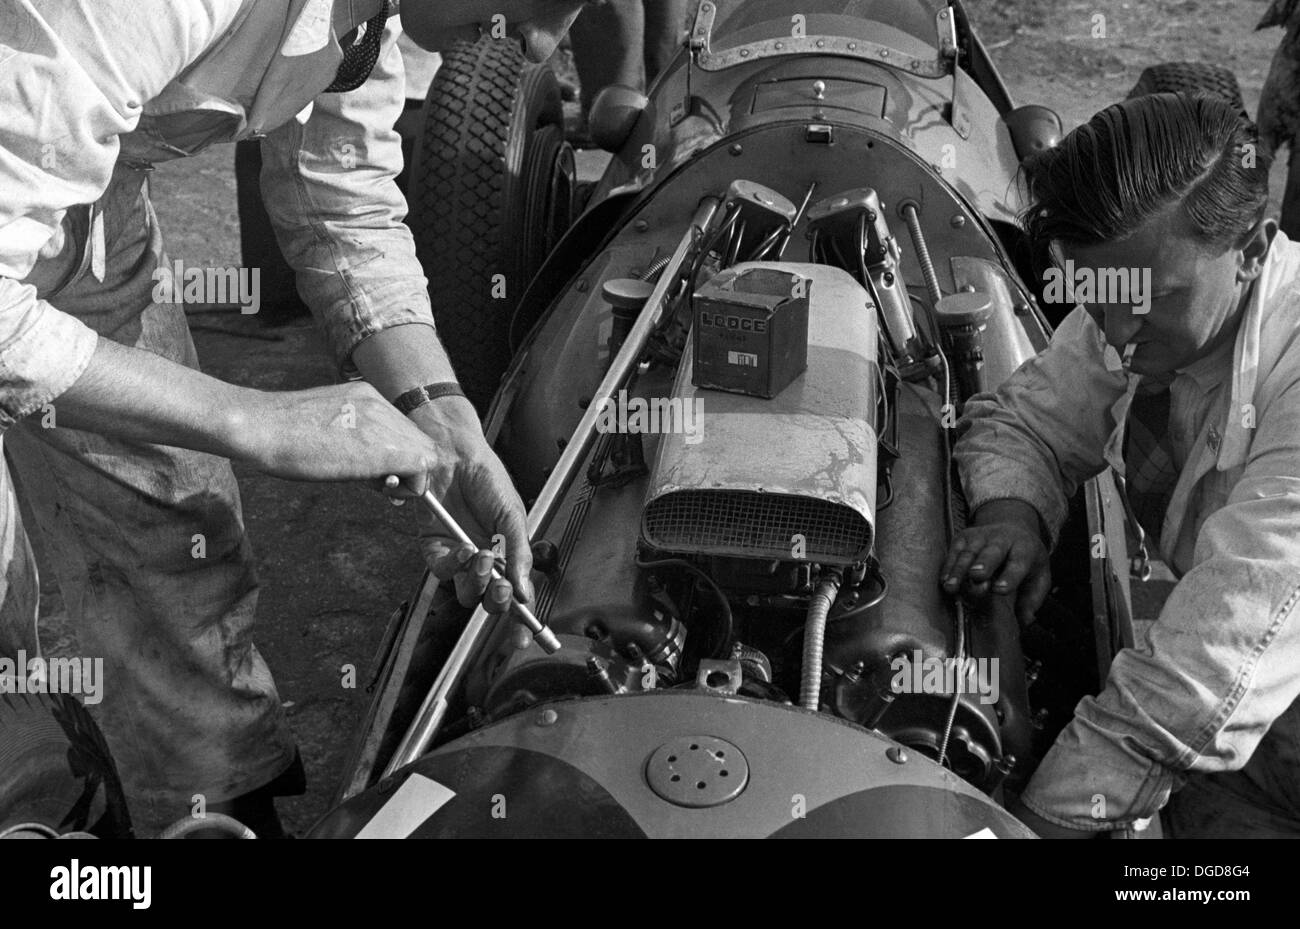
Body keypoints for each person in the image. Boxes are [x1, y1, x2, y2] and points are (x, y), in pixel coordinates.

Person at [0, 0, 588, 836]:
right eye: (536, 1)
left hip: (79, 206)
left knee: (173, 523)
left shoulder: (373, 15)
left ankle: (207, 811)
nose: (540, 46)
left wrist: (442, 417)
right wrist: (255, 420)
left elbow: (338, 194)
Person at [942, 93, 1300, 837]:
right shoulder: (1131, 305)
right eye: (1098, 295)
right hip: (1243, 736)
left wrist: (1028, 825)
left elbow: (1212, 666)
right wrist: (1016, 513)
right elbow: (1024, 421)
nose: (1118, 333)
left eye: (1152, 299)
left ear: (1255, 250)